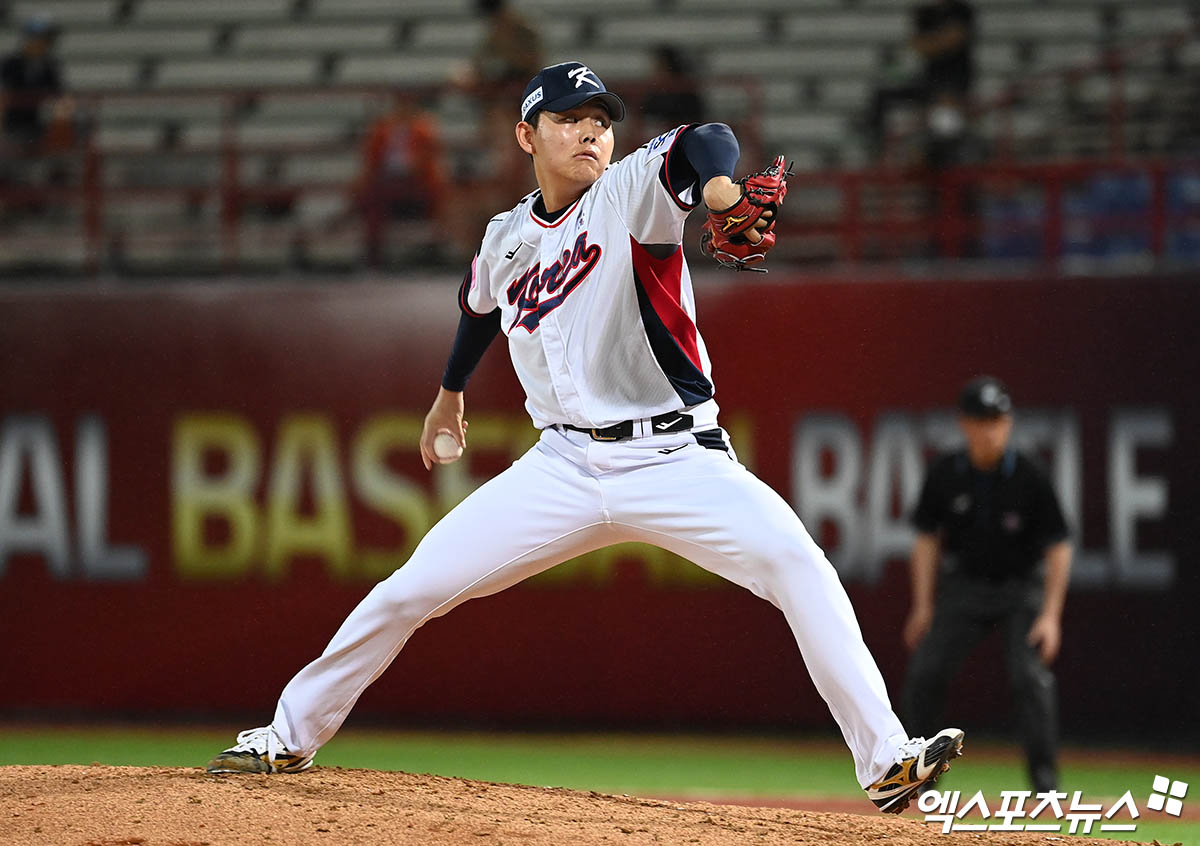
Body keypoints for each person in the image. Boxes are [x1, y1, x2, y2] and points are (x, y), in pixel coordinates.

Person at [205, 60, 963, 815]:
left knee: (798, 565)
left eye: (600, 121)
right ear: (525, 135)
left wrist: (725, 194)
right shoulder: (505, 238)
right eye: (571, 120)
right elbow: (476, 309)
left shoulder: (633, 193)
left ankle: (886, 759)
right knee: (410, 589)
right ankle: (285, 735)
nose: (591, 134)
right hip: (562, 466)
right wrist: (448, 394)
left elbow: (706, 140)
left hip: (676, 457)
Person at [902, 376, 1071, 794]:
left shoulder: (1030, 475)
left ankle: (1045, 788)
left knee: (1029, 678)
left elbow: (1059, 546)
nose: (990, 429)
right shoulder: (946, 473)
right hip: (965, 588)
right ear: (965, 424)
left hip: (1020, 590)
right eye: (981, 419)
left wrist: (1050, 616)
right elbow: (926, 541)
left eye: (998, 419)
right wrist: (923, 606)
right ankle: (918, 784)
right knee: (926, 672)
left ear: (1009, 423)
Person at [866, 0, 975, 167]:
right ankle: (877, 147)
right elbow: (920, 46)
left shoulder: (961, 10)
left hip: (954, 83)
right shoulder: (926, 12)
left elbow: (952, 40)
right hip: (929, 82)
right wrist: (940, 40)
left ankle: (938, 157)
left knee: (945, 123)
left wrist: (933, 41)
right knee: (883, 95)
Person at [642, 45, 705, 139]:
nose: (655, 72)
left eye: (659, 67)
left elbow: (693, 122)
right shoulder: (653, 94)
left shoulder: (686, 93)